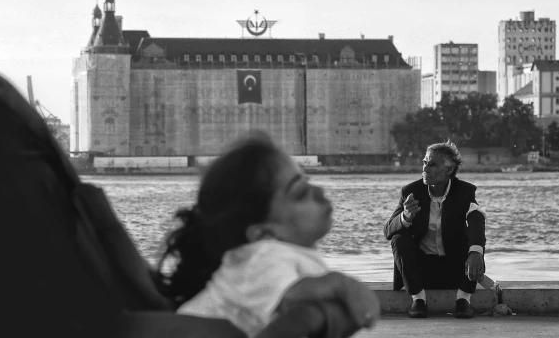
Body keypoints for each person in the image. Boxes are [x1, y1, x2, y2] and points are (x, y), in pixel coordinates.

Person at [157, 133, 380, 337]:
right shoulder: (259, 258)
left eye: (308, 182)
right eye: (301, 193)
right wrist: (342, 285)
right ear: (264, 232)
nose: (319, 192)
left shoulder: (277, 253)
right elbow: (293, 304)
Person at [383, 141, 486, 319]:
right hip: (421, 271)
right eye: (424, 163)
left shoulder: (464, 191)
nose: (425, 169)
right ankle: (418, 300)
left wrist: (476, 251)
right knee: (399, 239)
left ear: (448, 170)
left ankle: (463, 300)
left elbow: (476, 220)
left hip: (454, 268)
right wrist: (406, 216)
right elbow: (387, 230)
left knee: (473, 236)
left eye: (432, 164)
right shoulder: (411, 191)